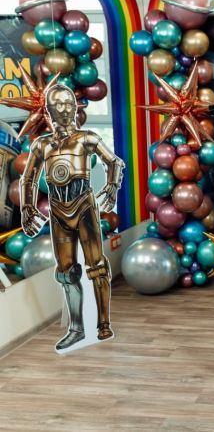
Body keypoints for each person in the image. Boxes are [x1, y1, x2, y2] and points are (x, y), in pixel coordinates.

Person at [20, 84, 124, 351]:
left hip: (84, 205)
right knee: (66, 272)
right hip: (58, 209)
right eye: (58, 104)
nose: (64, 109)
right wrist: (26, 206)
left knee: (97, 267)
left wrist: (112, 186)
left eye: (68, 103)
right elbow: (28, 179)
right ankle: (76, 329)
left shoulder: (87, 138)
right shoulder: (42, 144)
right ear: (49, 110)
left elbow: (114, 162)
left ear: (76, 108)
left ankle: (103, 323)